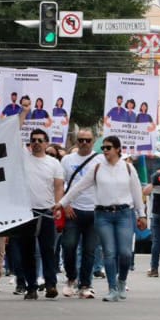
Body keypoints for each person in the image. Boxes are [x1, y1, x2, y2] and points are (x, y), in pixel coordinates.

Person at [57, 135, 146, 302]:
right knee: (109, 253)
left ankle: (122, 280)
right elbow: (79, 187)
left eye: (108, 147)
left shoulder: (127, 168)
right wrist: (62, 203)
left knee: (125, 253)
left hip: (124, 214)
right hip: (102, 215)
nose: (105, 151)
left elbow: (136, 193)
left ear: (118, 149)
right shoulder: (97, 167)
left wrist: (142, 215)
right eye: (103, 148)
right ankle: (112, 288)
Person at [11, 124, 63, 300]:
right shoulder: (23, 158)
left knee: (48, 250)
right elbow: (13, 133)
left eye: (40, 140)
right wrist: (24, 112)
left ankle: (50, 285)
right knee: (27, 251)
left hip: (47, 211)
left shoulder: (54, 163)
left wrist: (58, 206)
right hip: (27, 213)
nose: (36, 143)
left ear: (46, 143)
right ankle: (31, 287)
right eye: (33, 140)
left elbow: (58, 186)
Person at [58, 128, 101, 299]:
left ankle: (85, 284)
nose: (84, 143)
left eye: (88, 140)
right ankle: (71, 278)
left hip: (94, 211)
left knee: (90, 250)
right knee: (68, 246)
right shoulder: (67, 160)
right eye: (81, 140)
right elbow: (60, 184)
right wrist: (65, 204)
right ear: (76, 141)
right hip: (73, 210)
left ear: (93, 141)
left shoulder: (100, 159)